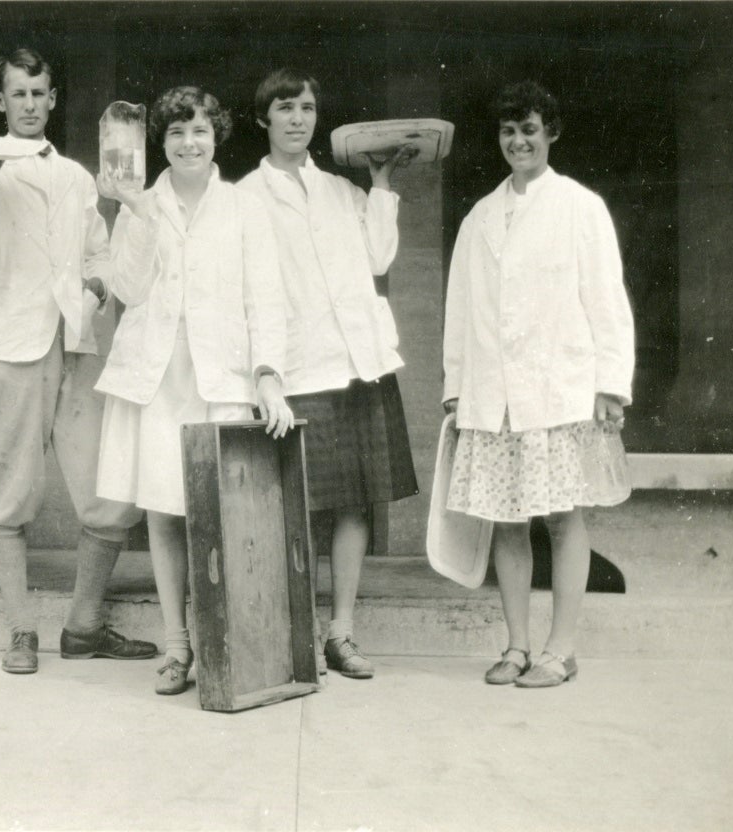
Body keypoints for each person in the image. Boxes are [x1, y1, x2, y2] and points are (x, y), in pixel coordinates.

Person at [0, 48, 156, 674]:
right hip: (9, 348)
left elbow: (98, 257)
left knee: (111, 497)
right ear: (0, 102)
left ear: (54, 98)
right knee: (10, 496)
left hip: (77, 345)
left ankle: (84, 623)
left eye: (40, 93)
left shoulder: (76, 178)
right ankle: (20, 630)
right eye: (18, 95)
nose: (30, 105)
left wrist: (94, 291)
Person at [96, 85, 294, 695]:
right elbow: (126, 287)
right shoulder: (142, 201)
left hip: (221, 377)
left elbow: (266, 298)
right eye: (177, 132)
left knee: (222, 514)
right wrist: (131, 210)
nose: (189, 143)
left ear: (217, 138)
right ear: (161, 140)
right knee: (163, 512)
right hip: (156, 376)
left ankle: (221, 642)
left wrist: (268, 377)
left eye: (200, 132)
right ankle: (177, 646)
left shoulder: (243, 207)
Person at [443, 80, 635, 688]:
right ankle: (518, 645)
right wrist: (456, 384)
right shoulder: (480, 216)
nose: (518, 141)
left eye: (529, 129)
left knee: (561, 516)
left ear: (550, 133)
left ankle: (562, 648)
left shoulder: (580, 207)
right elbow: (460, 309)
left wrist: (610, 382)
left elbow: (607, 299)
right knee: (505, 520)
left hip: (560, 389)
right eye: (507, 131)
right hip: (493, 395)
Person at [238, 68, 421, 680]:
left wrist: (381, 181)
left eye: (308, 107)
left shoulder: (342, 191)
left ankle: (341, 633)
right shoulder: (245, 197)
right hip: (295, 371)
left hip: (357, 364)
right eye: (285, 108)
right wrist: (262, 375)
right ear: (263, 118)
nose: (297, 118)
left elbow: (379, 256)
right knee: (299, 508)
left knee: (355, 507)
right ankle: (299, 633)